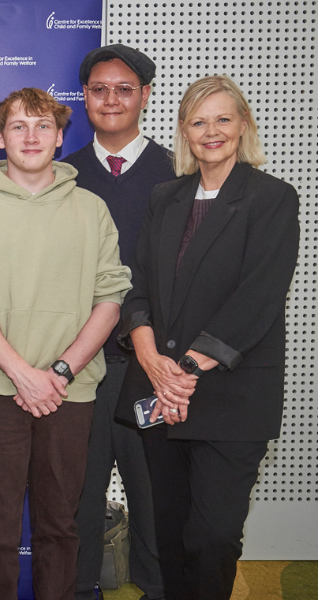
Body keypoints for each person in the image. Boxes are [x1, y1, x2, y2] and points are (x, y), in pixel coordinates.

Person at [0, 88, 132, 600]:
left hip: (70, 395)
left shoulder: (92, 209)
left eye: (43, 125)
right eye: (18, 126)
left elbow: (110, 299)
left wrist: (60, 373)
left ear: (61, 136)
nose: (31, 136)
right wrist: (23, 374)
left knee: (60, 529)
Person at [116, 75, 300, 600]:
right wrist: (152, 360)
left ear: (243, 125)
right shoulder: (165, 196)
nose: (211, 131)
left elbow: (258, 298)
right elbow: (139, 287)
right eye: (198, 121)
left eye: (223, 118)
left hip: (229, 398)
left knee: (213, 535)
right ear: (184, 133)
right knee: (169, 534)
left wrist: (187, 371)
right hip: (161, 392)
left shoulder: (272, 198)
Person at [63, 44, 171, 600]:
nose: (111, 99)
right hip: (79, 367)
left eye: (124, 89)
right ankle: (81, 590)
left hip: (152, 368)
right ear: (84, 97)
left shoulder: (177, 172)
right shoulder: (61, 175)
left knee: (153, 496)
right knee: (78, 497)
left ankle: (155, 588)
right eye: (99, 89)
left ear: (145, 96)